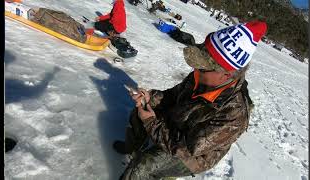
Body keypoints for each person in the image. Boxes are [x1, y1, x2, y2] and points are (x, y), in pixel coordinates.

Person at [114, 21, 267, 179]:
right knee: (139, 112)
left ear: (226, 75)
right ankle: (131, 148)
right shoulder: (200, 76)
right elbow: (172, 96)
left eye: (202, 67)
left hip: (193, 154)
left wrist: (151, 122)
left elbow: (186, 148)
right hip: (178, 123)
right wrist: (150, 98)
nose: (195, 69)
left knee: (144, 165)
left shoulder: (234, 114)